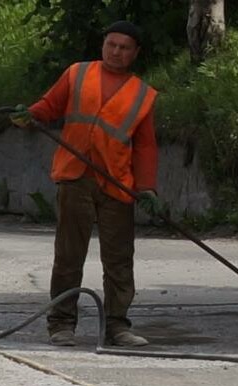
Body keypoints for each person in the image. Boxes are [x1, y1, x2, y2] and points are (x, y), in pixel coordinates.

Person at [19, 21, 166, 347]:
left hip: (117, 184)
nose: (116, 51)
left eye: (124, 47)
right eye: (111, 44)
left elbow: (145, 147)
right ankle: (61, 325)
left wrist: (147, 187)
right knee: (69, 255)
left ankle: (117, 326)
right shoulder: (77, 74)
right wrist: (30, 114)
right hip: (75, 177)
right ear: (103, 46)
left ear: (135, 53)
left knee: (119, 259)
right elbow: (49, 106)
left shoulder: (143, 95)